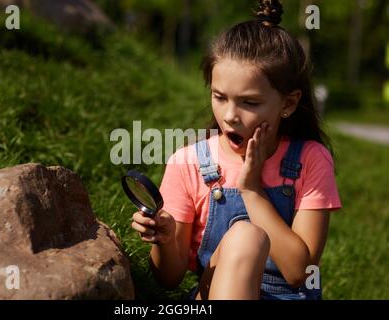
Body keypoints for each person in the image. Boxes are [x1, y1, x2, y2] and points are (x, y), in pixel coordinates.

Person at [130, 0, 342, 300]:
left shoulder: (310, 159)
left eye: (249, 103)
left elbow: (299, 272)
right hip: (218, 291)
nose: (230, 115)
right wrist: (164, 241)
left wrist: (252, 189)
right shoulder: (188, 162)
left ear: (289, 103)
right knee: (244, 237)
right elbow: (168, 278)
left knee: (248, 234)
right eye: (219, 97)